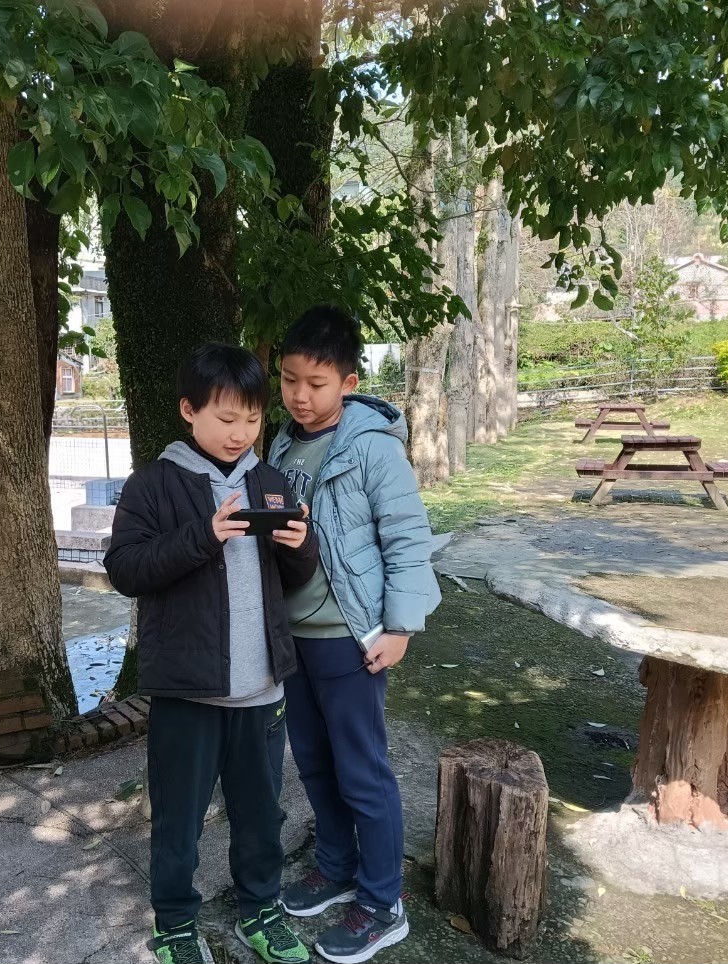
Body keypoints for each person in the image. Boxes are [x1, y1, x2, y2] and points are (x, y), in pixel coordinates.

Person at [105, 343, 319, 964]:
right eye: (226, 419)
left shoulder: (269, 482)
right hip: (187, 694)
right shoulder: (153, 485)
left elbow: (298, 576)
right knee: (179, 819)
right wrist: (203, 535)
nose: (240, 433)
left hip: (262, 690)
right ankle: (175, 924)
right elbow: (125, 569)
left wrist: (301, 545)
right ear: (188, 411)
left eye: (251, 419)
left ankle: (262, 910)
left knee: (261, 816)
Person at [268, 305, 441, 964]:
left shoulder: (373, 446)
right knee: (313, 761)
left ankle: (382, 900)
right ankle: (336, 866)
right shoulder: (282, 444)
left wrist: (400, 627)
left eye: (316, 384)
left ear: (348, 381)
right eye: (289, 380)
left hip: (352, 635)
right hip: (296, 636)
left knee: (362, 770)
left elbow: (407, 538)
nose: (300, 396)